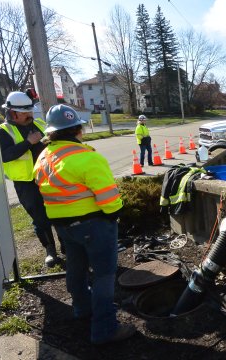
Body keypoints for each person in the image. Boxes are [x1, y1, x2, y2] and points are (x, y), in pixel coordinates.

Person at [33, 104, 136, 344]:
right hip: (94, 225)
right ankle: (105, 329)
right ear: (78, 129)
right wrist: (115, 215)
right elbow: (110, 200)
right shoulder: (88, 157)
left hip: (63, 227)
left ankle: (82, 310)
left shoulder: (43, 158)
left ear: (51, 133)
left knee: (76, 270)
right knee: (103, 276)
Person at [0, 91, 63, 267]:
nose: (30, 115)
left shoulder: (39, 123)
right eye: (26, 112)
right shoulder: (4, 131)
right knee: (40, 218)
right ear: (13, 113)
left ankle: (66, 245)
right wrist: (29, 143)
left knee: (59, 211)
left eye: (30, 111)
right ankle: (50, 250)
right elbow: (5, 155)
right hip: (26, 183)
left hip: (49, 177)